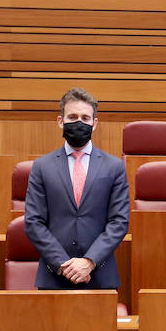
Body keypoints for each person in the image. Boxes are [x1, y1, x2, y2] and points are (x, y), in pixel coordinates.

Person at [23, 87, 130, 290]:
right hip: (54, 277)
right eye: (72, 117)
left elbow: (119, 222)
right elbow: (33, 222)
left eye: (85, 117)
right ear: (60, 121)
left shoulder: (114, 167)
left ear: (94, 123)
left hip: (100, 277)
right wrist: (64, 266)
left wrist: (89, 261)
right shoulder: (41, 167)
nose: (79, 122)